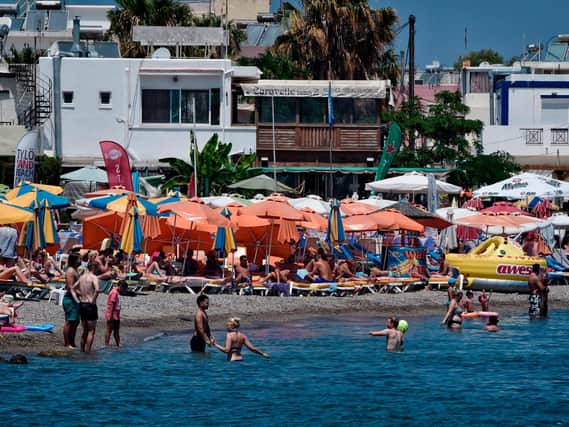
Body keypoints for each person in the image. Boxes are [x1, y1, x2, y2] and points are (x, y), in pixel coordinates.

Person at [74, 262, 100, 353]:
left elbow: (73, 287)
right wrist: (93, 299)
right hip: (90, 305)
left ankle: (82, 350)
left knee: (85, 329)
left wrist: (80, 295)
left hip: (82, 304)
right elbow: (97, 290)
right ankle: (88, 351)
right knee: (91, 331)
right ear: (95, 268)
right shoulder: (94, 277)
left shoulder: (82, 277)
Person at [63, 253, 81, 349]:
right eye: (79, 259)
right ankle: (67, 343)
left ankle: (72, 342)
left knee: (76, 321)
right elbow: (71, 287)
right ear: (74, 260)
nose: (81, 261)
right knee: (69, 321)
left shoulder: (75, 270)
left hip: (75, 299)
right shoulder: (70, 271)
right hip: (70, 299)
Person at [105, 280, 127, 347]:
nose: (123, 291)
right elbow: (112, 304)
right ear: (120, 286)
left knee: (115, 330)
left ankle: (117, 343)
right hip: (113, 315)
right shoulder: (114, 293)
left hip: (115, 315)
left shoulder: (116, 292)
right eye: (123, 289)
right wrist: (110, 316)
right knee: (110, 330)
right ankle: (107, 344)